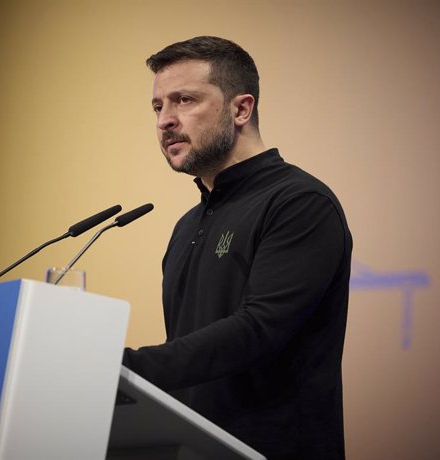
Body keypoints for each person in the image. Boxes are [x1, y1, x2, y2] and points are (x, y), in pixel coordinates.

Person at [122, 36, 352, 460]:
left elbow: (258, 330)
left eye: (184, 100)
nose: (165, 121)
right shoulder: (186, 226)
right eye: (158, 107)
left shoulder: (298, 202)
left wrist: (123, 369)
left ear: (241, 109)